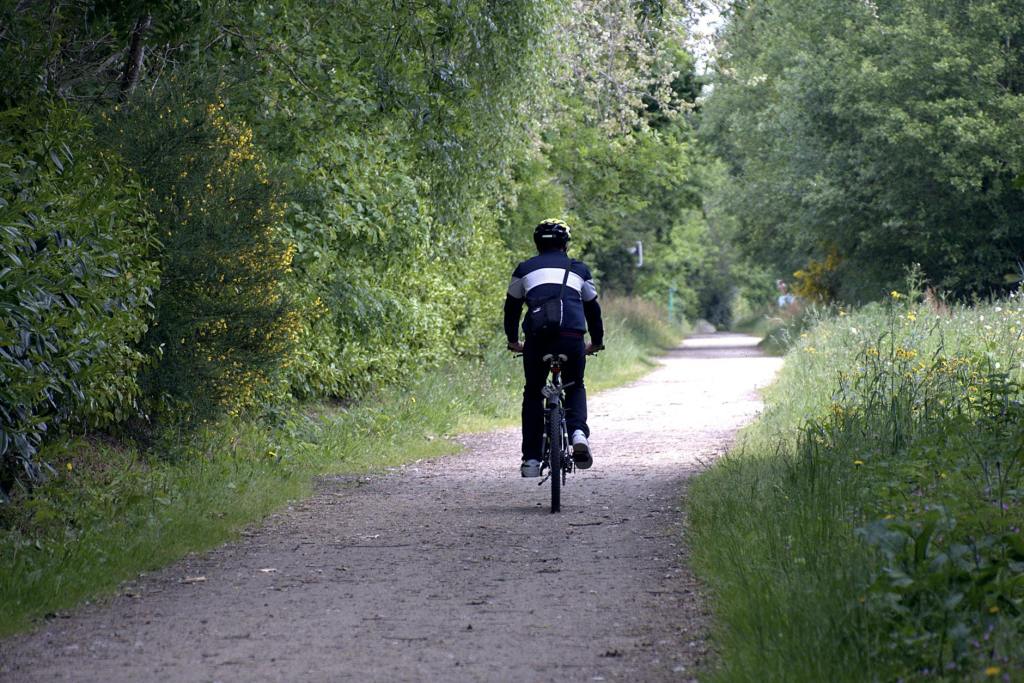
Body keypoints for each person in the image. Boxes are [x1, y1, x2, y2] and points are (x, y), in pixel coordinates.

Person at [504, 219, 604, 477]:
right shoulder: (579, 269)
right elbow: (593, 308)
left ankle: (532, 460)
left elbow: (512, 308)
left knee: (533, 393)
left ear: (538, 244)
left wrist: (513, 340)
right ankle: (578, 432)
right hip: (572, 338)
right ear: (565, 245)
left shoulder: (524, 269)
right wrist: (597, 341)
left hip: (537, 340)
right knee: (575, 384)